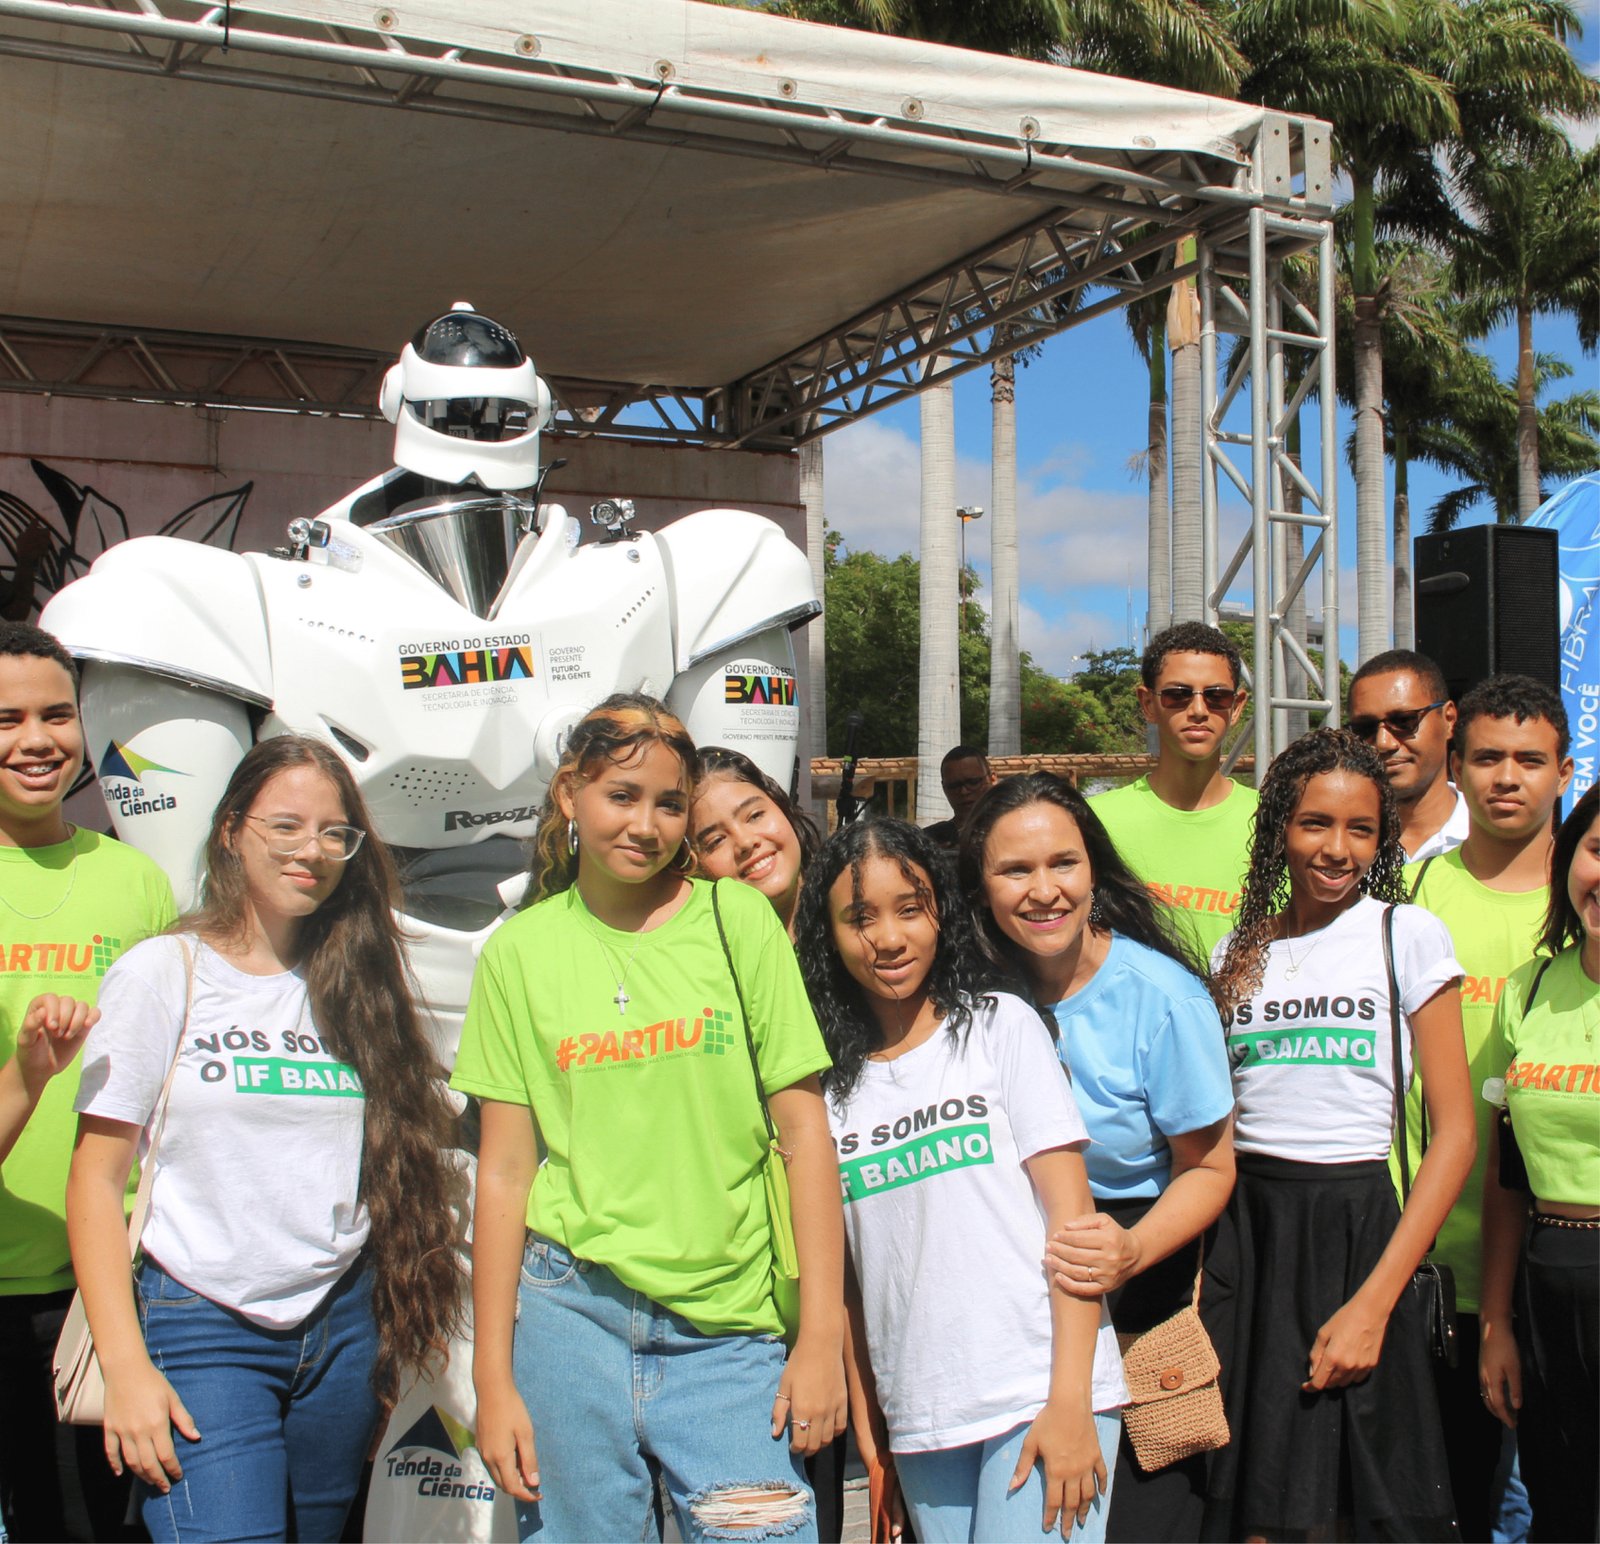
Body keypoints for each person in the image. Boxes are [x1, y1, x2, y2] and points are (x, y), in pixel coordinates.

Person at [453, 693, 845, 1543]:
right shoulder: (518, 952)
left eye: (670, 804)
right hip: (569, 1320)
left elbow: (804, 1134)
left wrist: (820, 1334)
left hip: (731, 1329)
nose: (646, 823)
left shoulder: (735, 920)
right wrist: (493, 1379)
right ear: (570, 794)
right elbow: (506, 1171)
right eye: (621, 796)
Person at [66, 735, 463, 1542]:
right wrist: (126, 1366)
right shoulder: (162, 971)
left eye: (333, 833)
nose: (311, 851)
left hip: (342, 1328)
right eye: (285, 827)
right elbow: (96, 1181)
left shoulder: (363, 984)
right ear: (230, 830)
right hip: (201, 1324)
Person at [796, 816, 1128, 1544]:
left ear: (940, 913)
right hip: (923, 1417)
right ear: (829, 936)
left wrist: (1072, 1401)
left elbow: (1072, 1225)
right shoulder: (824, 1090)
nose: (888, 938)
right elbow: (849, 1283)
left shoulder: (1000, 1027)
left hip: (1040, 1395)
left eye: (910, 909)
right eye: (860, 917)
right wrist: (876, 1440)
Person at [1205, 727, 1475, 1541]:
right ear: (1279, 828)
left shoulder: (1406, 935)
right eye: (1316, 823)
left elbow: (1456, 1134)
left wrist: (1375, 1302)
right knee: (1260, 1509)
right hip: (1248, 1238)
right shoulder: (1238, 949)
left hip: (1360, 1232)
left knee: (1366, 1512)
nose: (1338, 847)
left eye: (1362, 828)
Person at [959, 773, 1235, 1542]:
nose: (1043, 890)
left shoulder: (1164, 999)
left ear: (1095, 870)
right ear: (979, 886)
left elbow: (1211, 1167)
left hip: (1135, 1281)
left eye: (1063, 864)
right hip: (1004, 1296)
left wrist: (1132, 1249)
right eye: (1015, 870)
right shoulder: (965, 995)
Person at [0, 619, 178, 1544]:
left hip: (101, 1285)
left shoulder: (138, 882)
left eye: (57, 715)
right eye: (6, 719)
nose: (37, 740)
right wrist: (28, 1077)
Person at [1404, 674, 1572, 1541]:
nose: (1508, 777)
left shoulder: (1583, 904)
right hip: (1433, 1268)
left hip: (1557, 1274)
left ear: (1566, 772)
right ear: (1457, 771)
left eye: (1530, 760)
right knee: (1456, 1511)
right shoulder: (1408, 901)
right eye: (1489, 758)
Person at [1479, 782, 1599, 1544]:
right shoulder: (1527, 990)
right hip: (1547, 1283)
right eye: (1597, 851)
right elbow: (1506, 1179)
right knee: (1562, 1509)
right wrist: (1496, 1322)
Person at [1090, 623, 1254, 961]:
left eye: (1216, 696)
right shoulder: (1095, 822)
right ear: (1148, 703)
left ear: (1236, 706)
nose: (1198, 710)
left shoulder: (1273, 823)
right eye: (1178, 695)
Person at [691, 745, 821, 938]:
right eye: (716, 841)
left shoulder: (854, 911)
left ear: (782, 805)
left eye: (754, 816)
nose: (745, 842)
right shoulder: (703, 960)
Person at [1348, 649, 1467, 861]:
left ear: (1448, 719)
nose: (1384, 743)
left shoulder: (1494, 838)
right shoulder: (1336, 849)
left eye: (1403, 721)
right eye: (1365, 728)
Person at [923, 746, 995, 850]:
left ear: (992, 779)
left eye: (973, 782)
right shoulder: (928, 842)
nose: (963, 791)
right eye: (954, 786)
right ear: (944, 788)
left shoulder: (1016, 830)